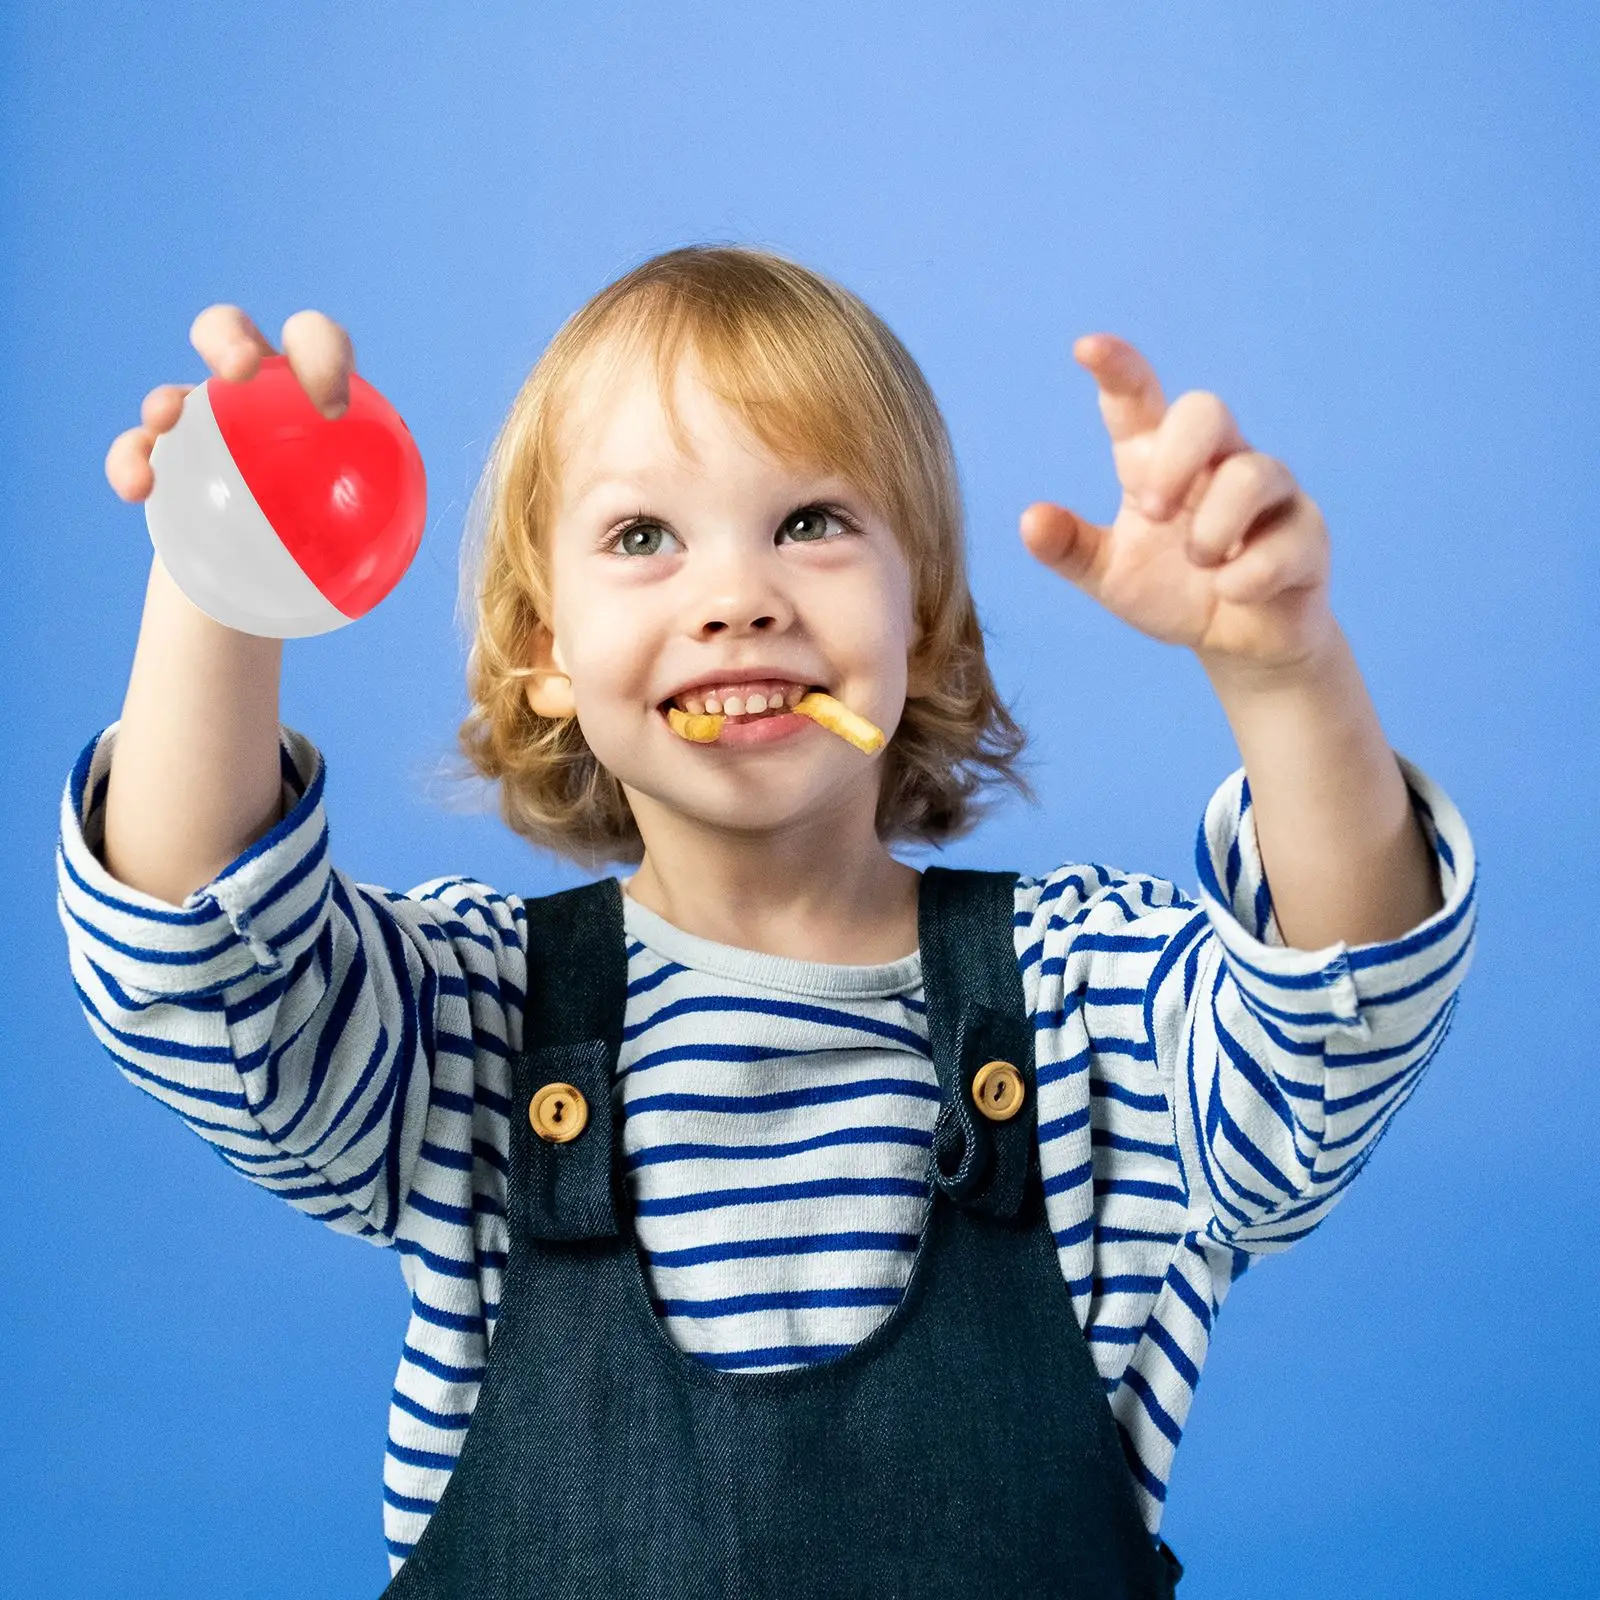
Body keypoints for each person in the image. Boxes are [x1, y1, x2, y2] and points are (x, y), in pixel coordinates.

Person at [59, 244, 1477, 1597]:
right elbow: (196, 961)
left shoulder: (1087, 1003)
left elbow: (1333, 1031)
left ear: (919, 618)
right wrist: (220, 573)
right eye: (642, 537)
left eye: (811, 522)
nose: (736, 596)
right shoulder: (469, 1028)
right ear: (547, 653)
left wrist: (1287, 679)